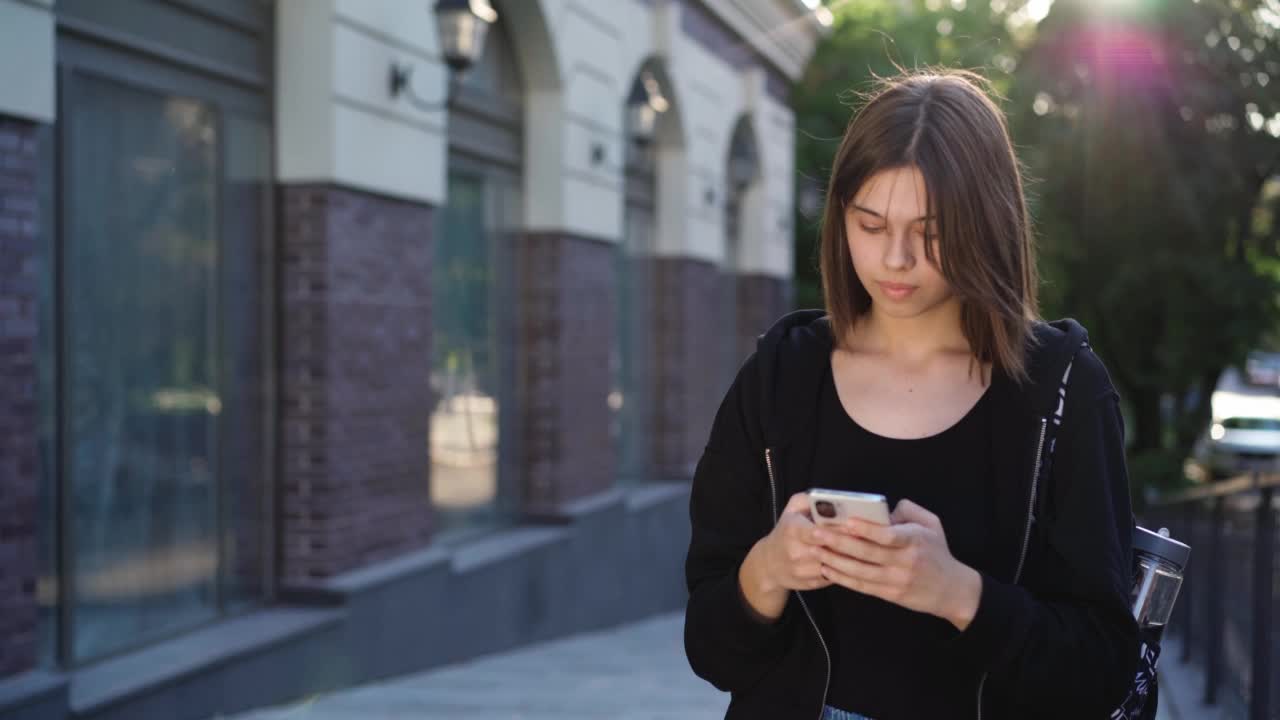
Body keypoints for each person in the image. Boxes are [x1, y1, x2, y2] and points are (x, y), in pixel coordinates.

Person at [683, 69, 1140, 719]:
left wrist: (959, 595)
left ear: (987, 223)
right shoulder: (781, 376)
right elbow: (710, 650)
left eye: (930, 232)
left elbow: (1102, 667)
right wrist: (770, 570)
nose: (895, 259)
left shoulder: (1061, 389)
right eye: (870, 224)